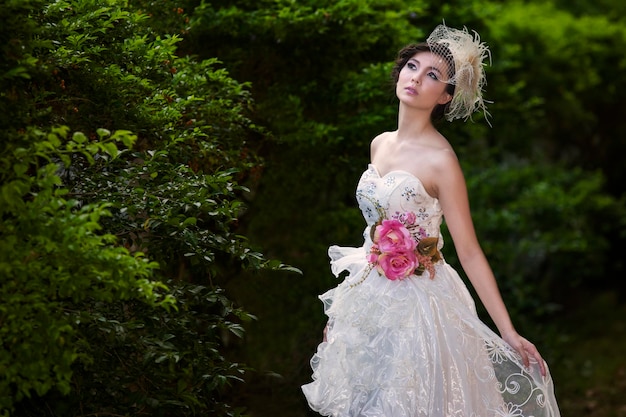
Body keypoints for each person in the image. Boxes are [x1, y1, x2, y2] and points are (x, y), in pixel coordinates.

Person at [301, 24, 561, 417]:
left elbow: (470, 252)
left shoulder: (442, 161)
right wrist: (345, 317)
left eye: (433, 76)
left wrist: (508, 331)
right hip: (371, 302)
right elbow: (373, 240)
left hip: (422, 308)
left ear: (444, 97)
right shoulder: (379, 143)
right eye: (412, 66)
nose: (416, 78)